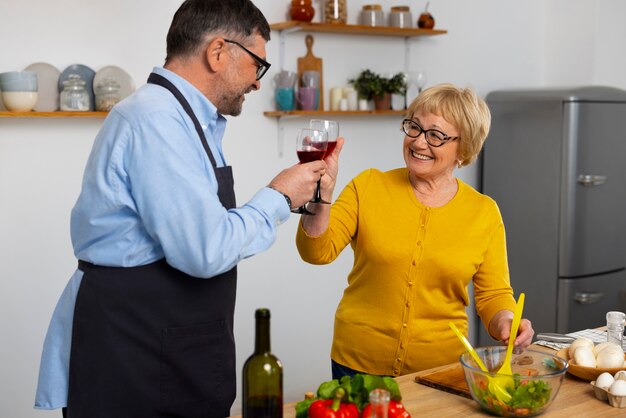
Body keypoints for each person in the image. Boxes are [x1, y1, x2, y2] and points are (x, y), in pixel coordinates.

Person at [34, 1, 328, 417]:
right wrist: (278, 197)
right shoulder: (156, 120)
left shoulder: (183, 118)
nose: (258, 83)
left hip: (168, 350)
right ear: (218, 52)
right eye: (257, 64)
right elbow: (204, 250)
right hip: (135, 355)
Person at [296, 83, 535, 379]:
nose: (419, 143)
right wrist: (322, 194)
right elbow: (316, 252)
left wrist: (507, 323)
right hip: (357, 364)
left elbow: (493, 295)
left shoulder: (483, 212)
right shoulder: (368, 186)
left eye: (436, 135)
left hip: (439, 370)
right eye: (414, 128)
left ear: (465, 148)